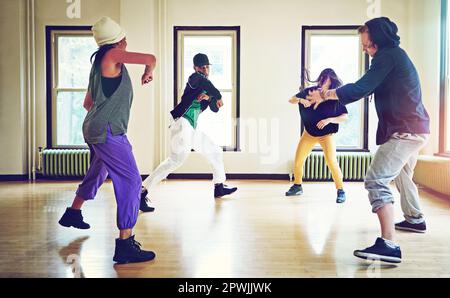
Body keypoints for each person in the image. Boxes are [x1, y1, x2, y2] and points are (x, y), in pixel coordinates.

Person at [307, 17, 430, 263]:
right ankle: (415, 219)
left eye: (368, 44)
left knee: (376, 179)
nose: (365, 49)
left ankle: (389, 245)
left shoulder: (388, 56)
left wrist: (325, 94)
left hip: (405, 131)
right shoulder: (393, 56)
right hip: (415, 128)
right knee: (402, 173)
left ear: (379, 40)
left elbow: (360, 88)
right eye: (364, 45)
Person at [58, 16, 157, 264]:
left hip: (95, 128)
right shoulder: (112, 55)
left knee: (98, 172)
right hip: (109, 131)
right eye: (123, 39)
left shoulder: (99, 64)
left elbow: (86, 103)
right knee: (132, 180)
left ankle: (73, 212)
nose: (126, 42)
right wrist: (148, 71)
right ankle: (125, 243)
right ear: (117, 41)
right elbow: (150, 58)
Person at [142, 53, 237, 199]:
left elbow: (215, 108)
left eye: (207, 67)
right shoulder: (194, 79)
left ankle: (219, 186)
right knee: (176, 160)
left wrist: (209, 97)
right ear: (195, 68)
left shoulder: (206, 88)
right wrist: (217, 95)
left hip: (191, 127)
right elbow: (205, 84)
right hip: (182, 122)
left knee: (215, 151)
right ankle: (143, 190)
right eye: (202, 67)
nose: (205, 70)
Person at [286, 69, 348, 204]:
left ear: (331, 82)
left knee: (331, 161)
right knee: (298, 161)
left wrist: (329, 120)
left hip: (326, 135)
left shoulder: (335, 96)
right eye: (321, 78)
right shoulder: (310, 91)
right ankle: (297, 186)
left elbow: (344, 116)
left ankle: (340, 190)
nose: (322, 82)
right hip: (309, 133)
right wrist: (301, 100)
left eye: (326, 80)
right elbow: (292, 99)